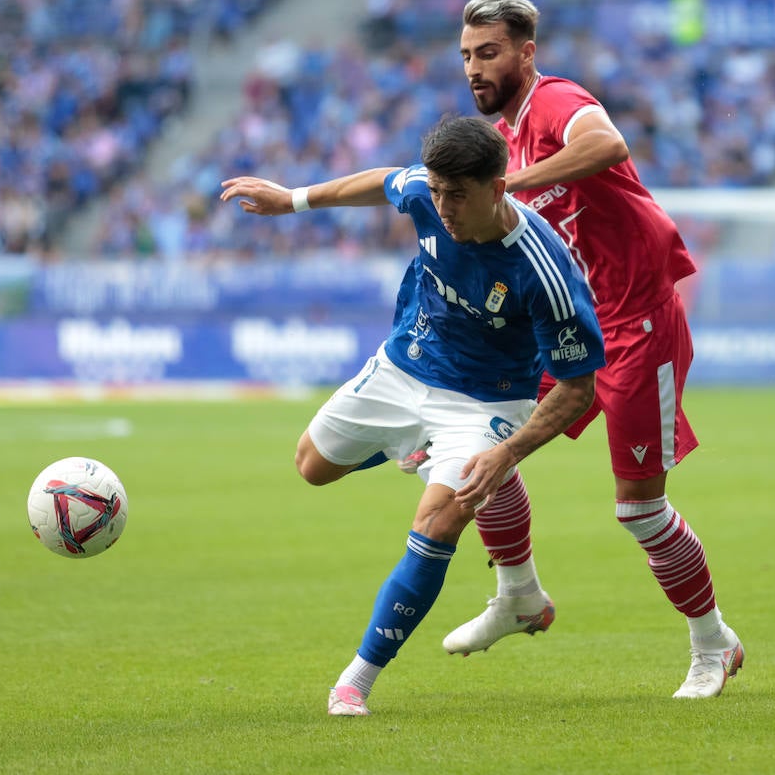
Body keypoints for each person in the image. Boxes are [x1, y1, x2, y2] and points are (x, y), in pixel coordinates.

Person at [219, 116, 605, 716]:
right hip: (407, 363)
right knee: (312, 466)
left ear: (498, 188)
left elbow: (579, 387)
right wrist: (291, 200)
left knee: (436, 524)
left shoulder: (544, 270)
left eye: (459, 195)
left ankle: (356, 680)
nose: (443, 207)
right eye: (438, 191)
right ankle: (416, 445)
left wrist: (504, 454)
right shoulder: (427, 192)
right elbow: (381, 181)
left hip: (486, 403)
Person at [441, 0, 742, 699]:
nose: (474, 68)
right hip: (577, 327)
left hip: (639, 324)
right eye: (465, 56)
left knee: (638, 510)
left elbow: (607, 144)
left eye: (488, 53)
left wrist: (510, 185)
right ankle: (518, 594)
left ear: (525, 53)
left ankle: (713, 644)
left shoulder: (553, 103)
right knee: (474, 440)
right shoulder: (504, 137)